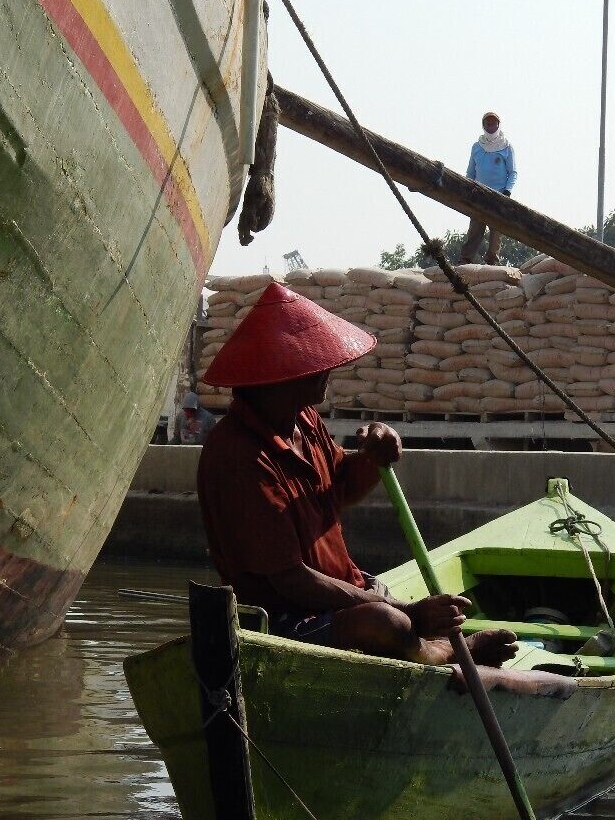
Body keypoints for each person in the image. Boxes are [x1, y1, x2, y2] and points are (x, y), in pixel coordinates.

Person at [196, 282, 519, 670]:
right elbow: (291, 581)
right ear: (283, 374)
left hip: (337, 589)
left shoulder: (302, 421)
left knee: (397, 611)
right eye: (315, 364)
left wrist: (375, 457)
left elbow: (340, 486)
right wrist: (404, 611)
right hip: (280, 618)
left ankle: (429, 638)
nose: (328, 372)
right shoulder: (238, 455)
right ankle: (445, 652)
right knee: (387, 620)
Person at [460, 111, 516, 265]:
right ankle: (466, 258)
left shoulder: (506, 147)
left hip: (499, 195)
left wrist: (508, 190)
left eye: (493, 123)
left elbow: (513, 172)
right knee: (475, 229)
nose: (491, 126)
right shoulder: (477, 147)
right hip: (478, 193)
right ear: (483, 126)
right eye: (488, 123)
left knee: (496, 231)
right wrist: (467, 187)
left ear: (498, 125)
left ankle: (492, 260)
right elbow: (471, 171)